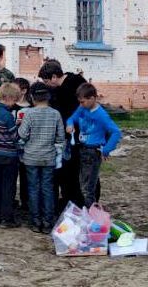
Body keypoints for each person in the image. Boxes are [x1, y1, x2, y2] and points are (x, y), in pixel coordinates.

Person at [38, 58, 88, 208]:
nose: (46, 84)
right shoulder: (58, 89)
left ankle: (80, 203)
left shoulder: (75, 84)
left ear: (54, 76)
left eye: (46, 81)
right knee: (66, 171)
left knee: (76, 170)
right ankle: (69, 201)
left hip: (78, 134)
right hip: (66, 135)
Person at [65, 83, 122, 208]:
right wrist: (70, 124)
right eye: (79, 102)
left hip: (92, 152)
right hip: (82, 149)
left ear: (92, 98)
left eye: (82, 101)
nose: (80, 104)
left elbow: (116, 132)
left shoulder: (101, 115)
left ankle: (91, 216)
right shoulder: (83, 108)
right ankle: (89, 212)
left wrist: (106, 150)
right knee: (83, 184)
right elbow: (71, 118)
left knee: (87, 188)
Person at [18, 81, 65, 233]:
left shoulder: (29, 113)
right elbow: (60, 137)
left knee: (33, 188)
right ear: (49, 96)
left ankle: (35, 220)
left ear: (31, 97)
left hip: (31, 157)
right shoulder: (55, 114)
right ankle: (48, 221)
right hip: (48, 157)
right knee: (48, 189)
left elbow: (23, 135)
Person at [0, 82, 21, 228]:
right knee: (9, 188)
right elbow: (14, 137)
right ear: (8, 98)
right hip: (9, 156)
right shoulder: (7, 115)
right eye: (15, 100)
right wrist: (18, 126)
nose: (15, 104)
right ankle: (7, 218)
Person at [13, 77, 32, 210]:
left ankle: (26, 201)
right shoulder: (11, 107)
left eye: (15, 89)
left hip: (27, 148)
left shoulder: (32, 108)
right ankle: (12, 199)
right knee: (13, 175)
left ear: (24, 90)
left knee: (26, 175)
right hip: (13, 147)